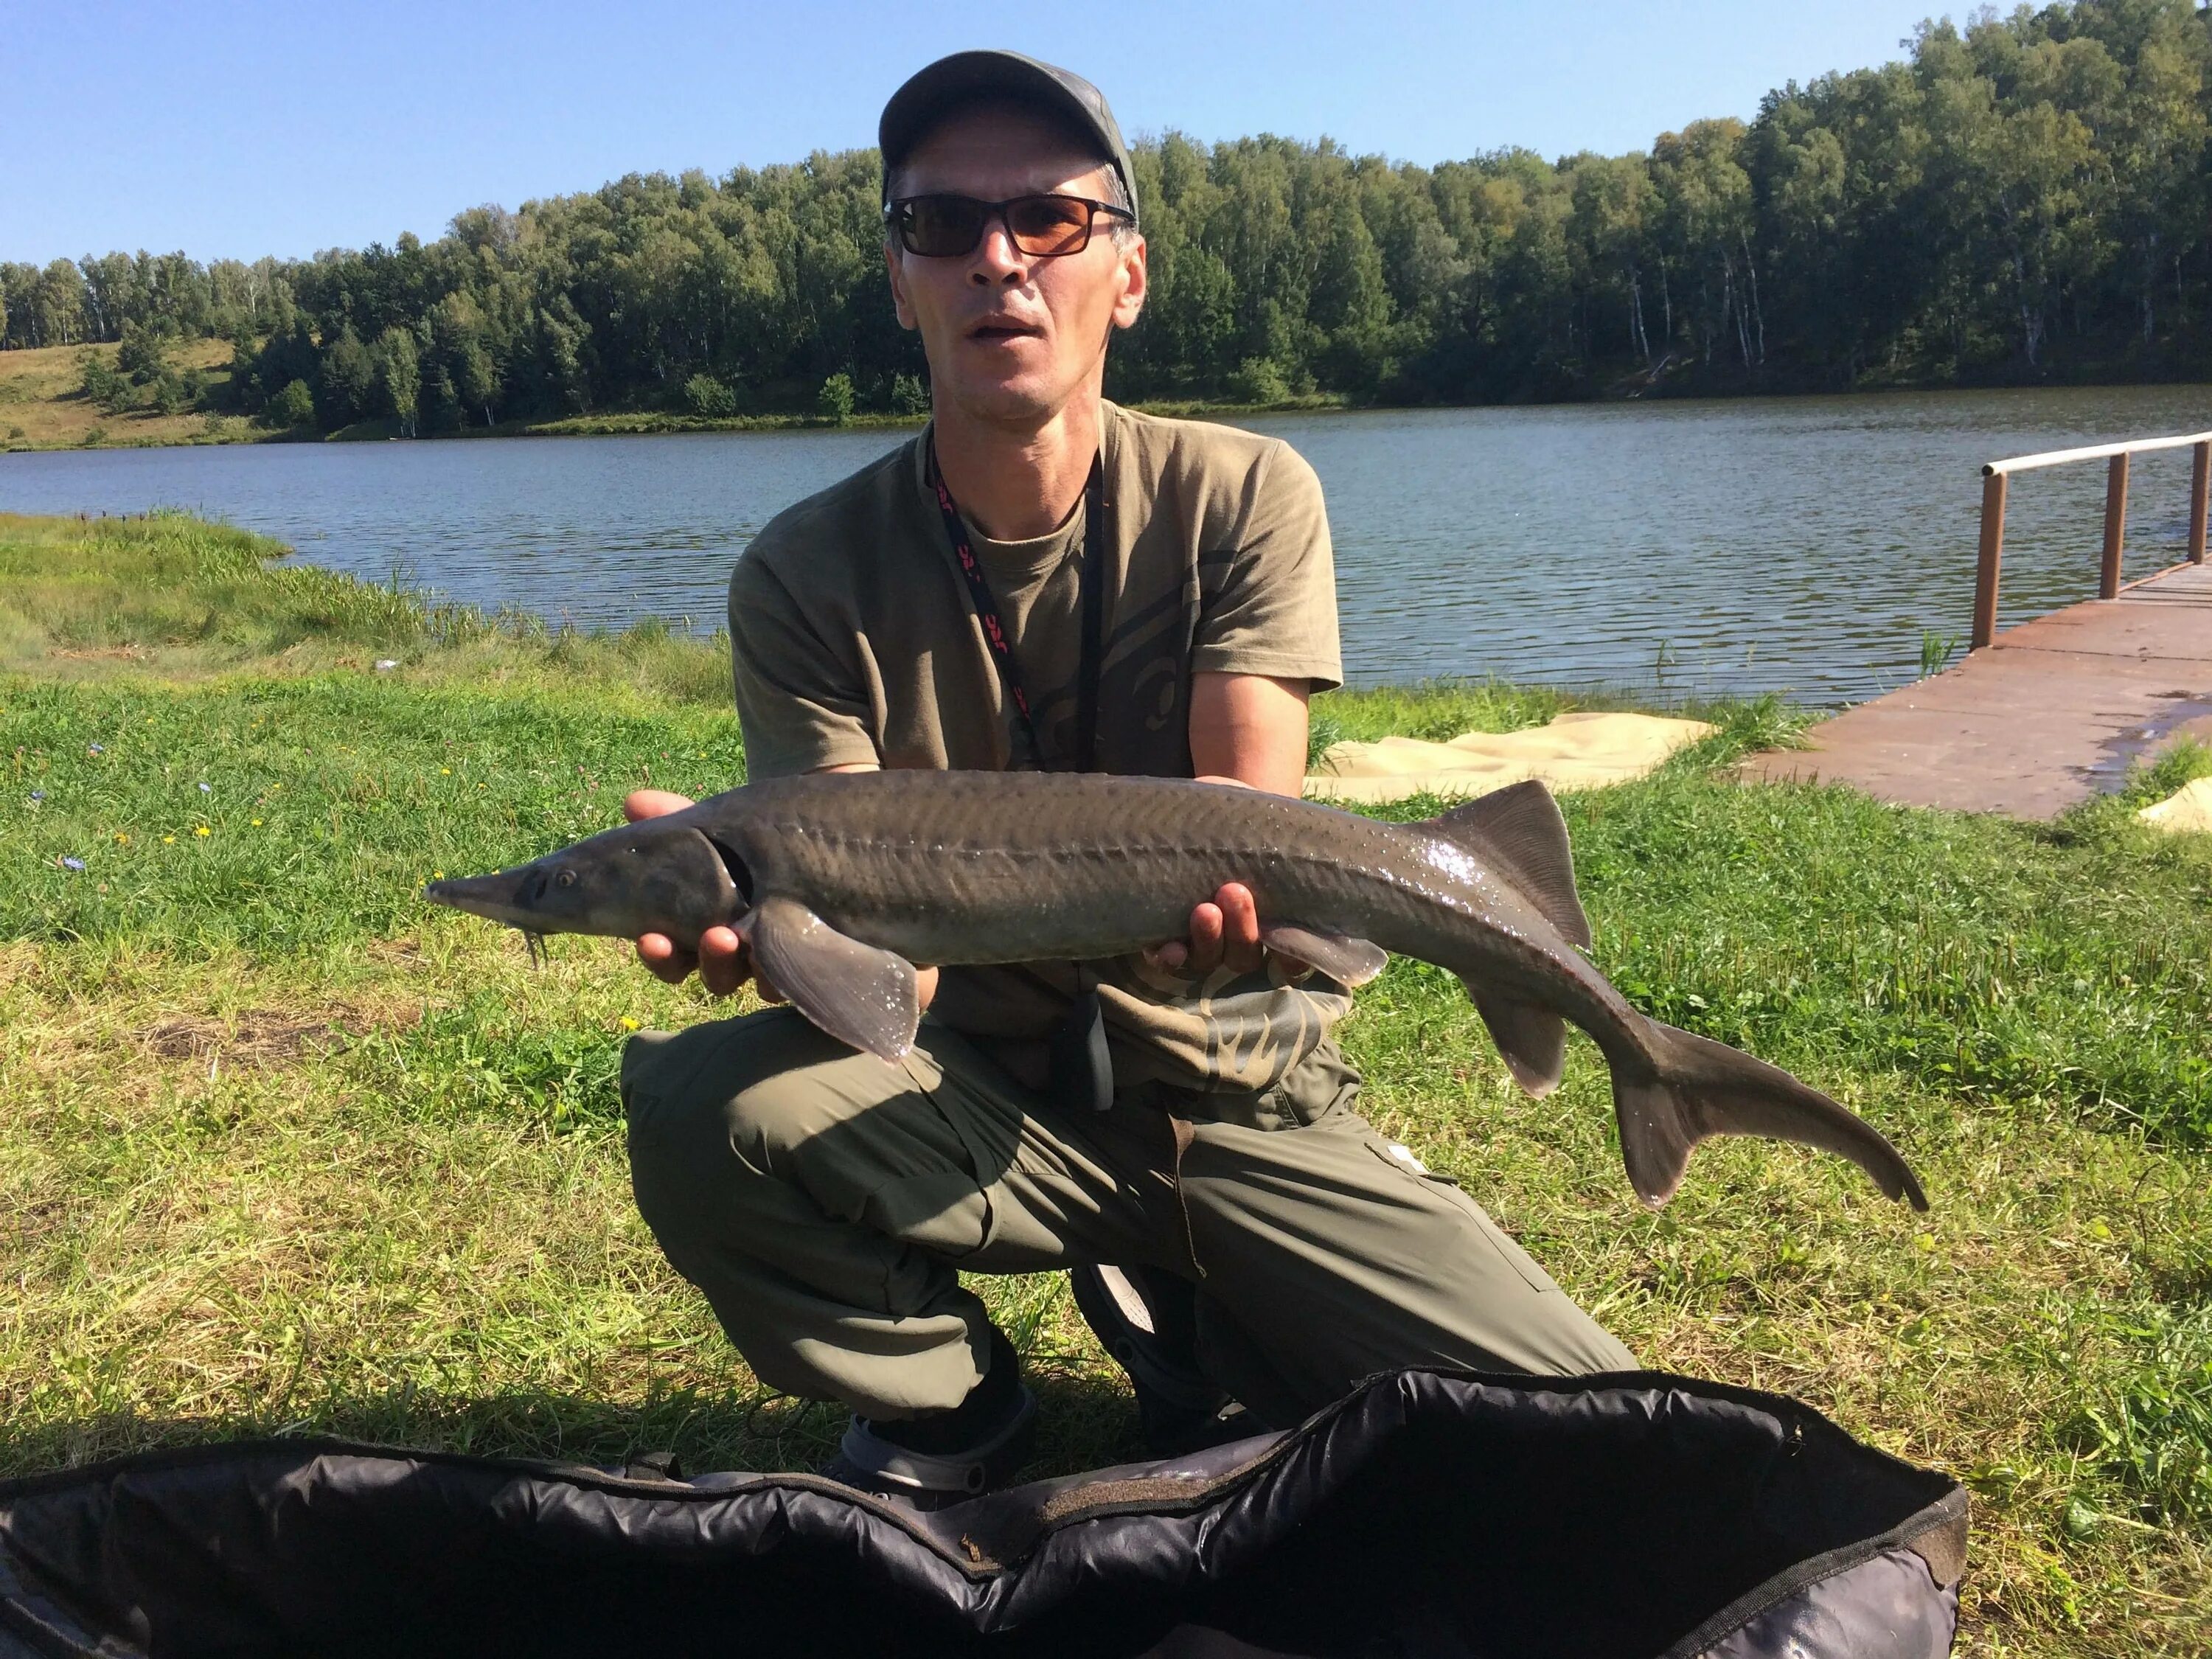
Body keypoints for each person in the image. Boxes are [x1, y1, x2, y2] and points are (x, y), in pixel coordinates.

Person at [617, 49, 1634, 1509]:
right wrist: (771, 928)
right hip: (980, 1106)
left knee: (1585, 1444)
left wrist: (1248, 923)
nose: (996, 262)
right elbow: (877, 990)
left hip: (1229, 1086)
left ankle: (1206, 1305)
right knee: (706, 1111)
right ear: (900, 282)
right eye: (940, 226)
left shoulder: (1245, 493)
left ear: (1130, 275)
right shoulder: (804, 572)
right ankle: (949, 1410)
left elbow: (1254, 843)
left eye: (1049, 219)